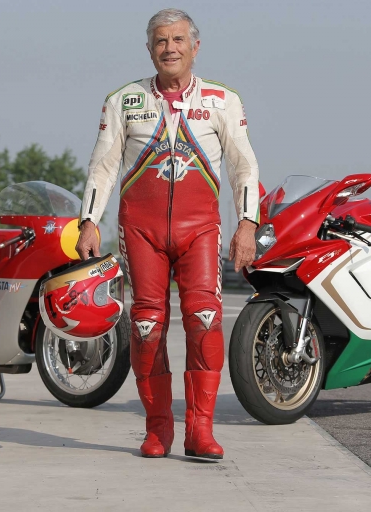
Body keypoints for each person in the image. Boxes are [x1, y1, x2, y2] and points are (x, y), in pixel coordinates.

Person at [75, 8, 260, 459]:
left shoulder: (223, 100)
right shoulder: (123, 100)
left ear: (195, 47)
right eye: (161, 41)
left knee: (205, 319)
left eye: (178, 40)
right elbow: (103, 167)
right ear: (149, 49)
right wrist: (88, 221)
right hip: (141, 231)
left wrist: (247, 223)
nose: (170, 48)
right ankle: (158, 429)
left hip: (201, 231)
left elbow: (244, 166)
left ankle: (200, 431)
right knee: (146, 325)